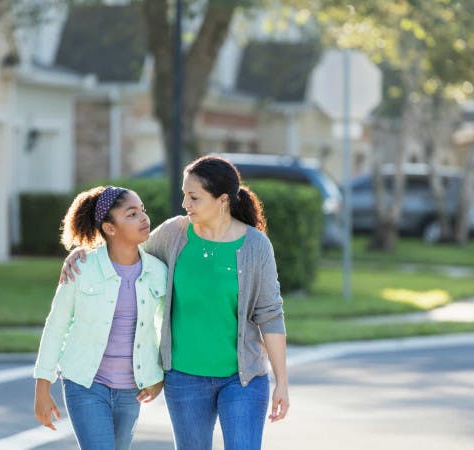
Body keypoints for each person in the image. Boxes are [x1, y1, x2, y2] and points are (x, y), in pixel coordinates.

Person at [62, 156, 289, 450]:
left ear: (222, 200)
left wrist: (281, 381)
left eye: (194, 197)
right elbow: (126, 253)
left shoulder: (255, 245)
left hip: (243, 379)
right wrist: (83, 253)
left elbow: (270, 314)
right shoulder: (173, 234)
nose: (185, 204)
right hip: (185, 379)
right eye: (185, 195)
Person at [34, 186, 167, 450]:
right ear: (109, 228)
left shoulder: (158, 271)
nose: (143, 218)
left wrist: (158, 377)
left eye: (143, 210)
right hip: (85, 384)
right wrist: (42, 389)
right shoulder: (81, 268)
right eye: (131, 214)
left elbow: (166, 327)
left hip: (132, 389)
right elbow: (56, 326)